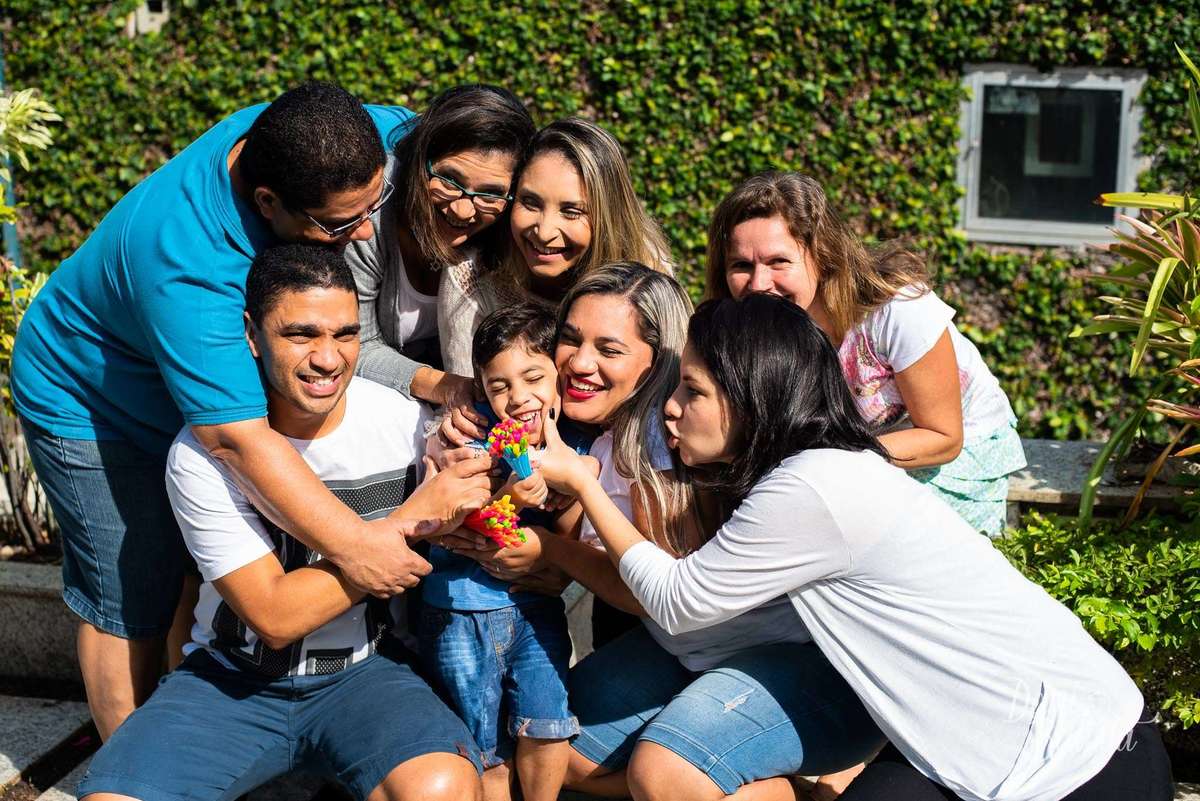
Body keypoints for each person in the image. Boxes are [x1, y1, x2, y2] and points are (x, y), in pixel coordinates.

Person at [535, 293, 1173, 801]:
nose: (671, 409)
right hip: (977, 748)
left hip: (1082, 759)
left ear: (752, 393)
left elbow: (679, 601)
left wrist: (584, 487)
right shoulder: (814, 471)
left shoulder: (812, 485)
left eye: (693, 390)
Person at [13, 81, 433, 739]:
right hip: (93, 396)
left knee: (197, 564)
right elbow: (239, 441)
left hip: (181, 381)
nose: (365, 231)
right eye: (338, 224)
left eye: (371, 204)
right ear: (268, 202)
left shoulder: (347, 139)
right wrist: (359, 546)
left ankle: (191, 727)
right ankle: (134, 763)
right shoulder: (189, 260)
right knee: (134, 589)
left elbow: (444, 141)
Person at [77, 244, 491, 801]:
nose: (328, 358)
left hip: (363, 675)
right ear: (252, 333)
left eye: (345, 334)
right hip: (231, 680)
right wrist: (412, 521)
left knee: (443, 787)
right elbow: (273, 615)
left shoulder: (402, 420)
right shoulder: (206, 451)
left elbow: (476, 496)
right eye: (301, 334)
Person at [468, 264, 882, 801]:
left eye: (609, 349)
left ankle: (777, 787)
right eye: (569, 339)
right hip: (687, 651)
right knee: (555, 746)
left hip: (788, 656)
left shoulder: (667, 443)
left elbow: (657, 596)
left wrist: (552, 548)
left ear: (660, 356)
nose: (580, 362)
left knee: (660, 771)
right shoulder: (593, 436)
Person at [704, 172, 1025, 536]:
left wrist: (823, 462)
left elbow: (943, 438)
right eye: (741, 266)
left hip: (945, 459)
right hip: (842, 459)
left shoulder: (898, 309)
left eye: (779, 261)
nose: (759, 283)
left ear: (822, 256)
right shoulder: (748, 324)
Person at [420, 304, 598, 801]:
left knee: (548, 722)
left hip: (533, 608)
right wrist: (510, 497)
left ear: (559, 376)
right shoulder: (470, 437)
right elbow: (449, 514)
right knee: (483, 745)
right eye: (499, 386)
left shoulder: (579, 445)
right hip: (460, 611)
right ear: (482, 390)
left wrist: (571, 480)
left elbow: (568, 533)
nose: (519, 398)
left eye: (533, 378)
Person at [436, 116, 673, 446]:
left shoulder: (642, 267)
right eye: (530, 203)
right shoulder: (473, 278)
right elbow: (476, 405)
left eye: (572, 212)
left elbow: (661, 394)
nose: (545, 232)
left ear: (606, 214)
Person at [344, 84, 536, 407]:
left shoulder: (513, 229)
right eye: (449, 180)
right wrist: (443, 385)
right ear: (421, 158)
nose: (462, 210)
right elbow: (354, 343)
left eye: (490, 193)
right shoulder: (372, 213)